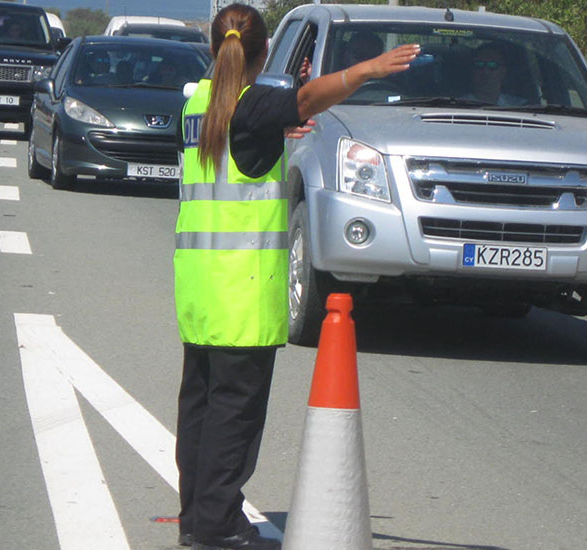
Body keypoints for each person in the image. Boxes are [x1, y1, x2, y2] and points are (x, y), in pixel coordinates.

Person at [172, 4, 418, 550]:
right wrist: (366, 70)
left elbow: (251, 131)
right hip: (244, 291)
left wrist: (276, 123)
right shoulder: (253, 105)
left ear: (217, 50)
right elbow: (304, 99)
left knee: (200, 410)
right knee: (234, 420)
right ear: (262, 55)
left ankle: (197, 517)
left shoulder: (197, 103)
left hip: (198, 289)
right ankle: (216, 526)